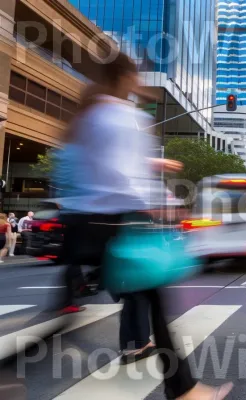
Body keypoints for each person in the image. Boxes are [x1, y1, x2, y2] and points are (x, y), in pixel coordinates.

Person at [54, 53, 232, 399]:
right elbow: (124, 174)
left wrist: (150, 169)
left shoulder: (88, 115)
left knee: (75, 312)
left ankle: (182, 387)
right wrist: (161, 205)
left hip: (82, 223)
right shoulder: (124, 117)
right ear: (126, 77)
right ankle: (183, 389)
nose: (139, 83)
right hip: (112, 223)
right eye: (136, 76)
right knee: (153, 298)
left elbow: (93, 167)